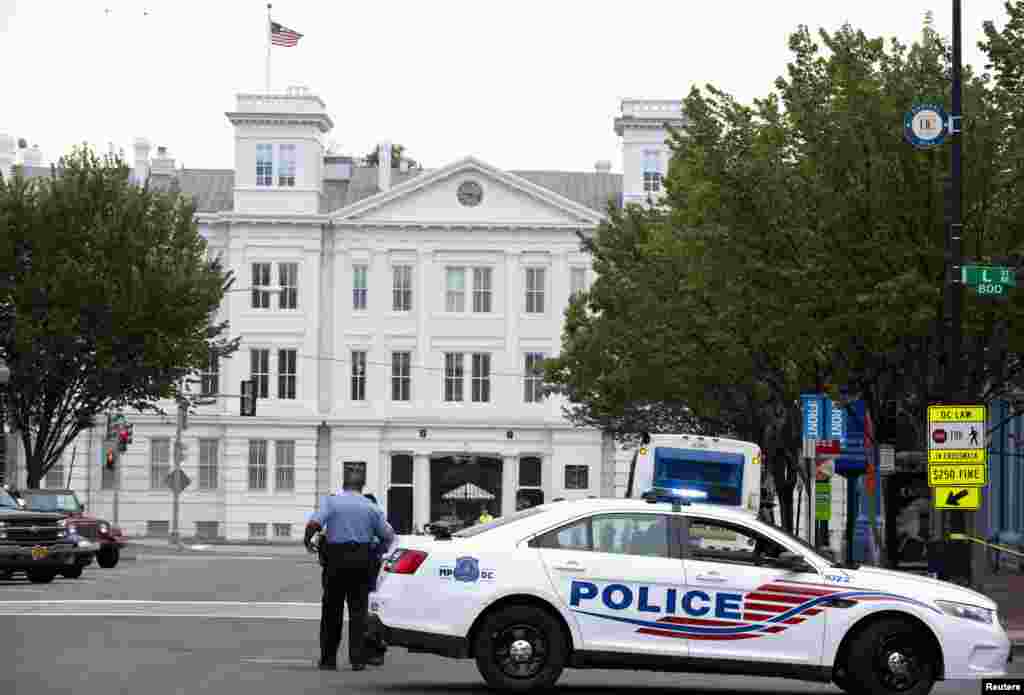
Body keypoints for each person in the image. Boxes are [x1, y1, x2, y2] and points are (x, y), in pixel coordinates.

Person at [305, 468, 395, 672]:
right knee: (359, 612)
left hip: (336, 560)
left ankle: (328, 660)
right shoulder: (371, 507)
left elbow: (313, 524)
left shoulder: (332, 502)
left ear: (343, 485)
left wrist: (307, 541)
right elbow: (387, 535)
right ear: (362, 487)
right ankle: (358, 660)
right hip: (362, 561)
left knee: (331, 611)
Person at [363, 493, 389, 661]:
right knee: (368, 613)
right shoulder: (379, 522)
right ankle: (373, 650)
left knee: (369, 613)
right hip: (371, 573)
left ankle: (374, 649)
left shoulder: (375, 523)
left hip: (372, 573)